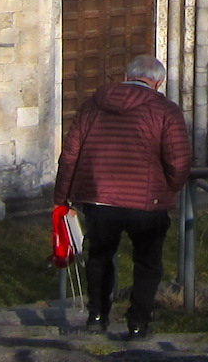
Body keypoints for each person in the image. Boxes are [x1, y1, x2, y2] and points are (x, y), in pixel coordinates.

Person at [54, 53, 194, 338]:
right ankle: (138, 322)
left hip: (98, 198)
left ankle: (96, 316)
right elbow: (179, 162)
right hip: (147, 202)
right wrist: (169, 188)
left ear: (127, 76)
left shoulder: (93, 105)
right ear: (158, 83)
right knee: (147, 262)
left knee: (100, 256)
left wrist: (62, 197)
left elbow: (70, 155)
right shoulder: (166, 111)